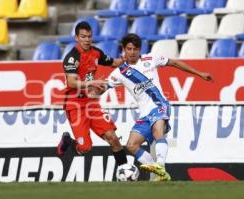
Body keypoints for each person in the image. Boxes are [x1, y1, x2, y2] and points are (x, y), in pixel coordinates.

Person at [106, 33, 213, 181]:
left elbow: (174, 63)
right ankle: (159, 172)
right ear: (124, 50)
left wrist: (199, 73)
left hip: (159, 104)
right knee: (132, 145)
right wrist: (89, 86)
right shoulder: (119, 72)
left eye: (135, 49)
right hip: (144, 113)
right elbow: (102, 87)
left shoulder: (151, 58)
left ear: (139, 49)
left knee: (158, 131)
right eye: (129, 49)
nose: (132, 52)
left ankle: (160, 165)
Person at [57, 21, 128, 167]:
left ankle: (125, 170)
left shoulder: (96, 52)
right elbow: (71, 83)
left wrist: (125, 60)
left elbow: (113, 62)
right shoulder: (72, 58)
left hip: (92, 103)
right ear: (76, 38)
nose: (87, 40)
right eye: (83, 37)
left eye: (89, 36)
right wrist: (91, 83)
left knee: (113, 138)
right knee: (85, 148)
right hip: (75, 105)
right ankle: (69, 142)